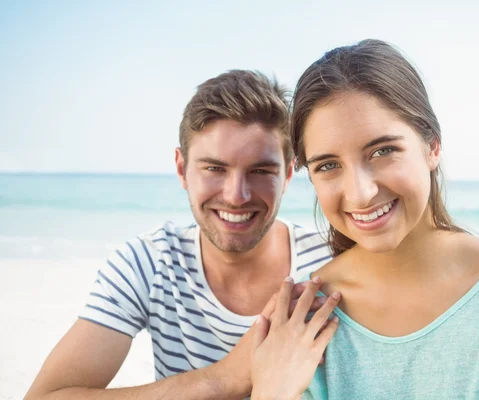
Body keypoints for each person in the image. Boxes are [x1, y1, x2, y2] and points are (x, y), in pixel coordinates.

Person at [249, 40, 479, 399]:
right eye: (328, 166)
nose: (360, 193)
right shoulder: (300, 320)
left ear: (432, 145)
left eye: (383, 151)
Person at [25, 70, 340, 400]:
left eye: (260, 171)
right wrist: (219, 379)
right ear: (181, 168)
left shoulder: (329, 264)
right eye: (215, 168)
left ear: (288, 174)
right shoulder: (150, 262)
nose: (236, 195)